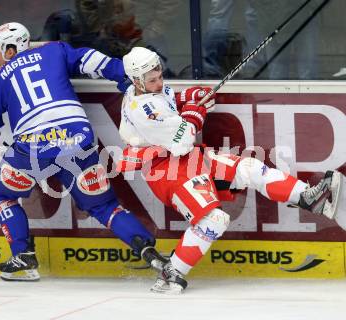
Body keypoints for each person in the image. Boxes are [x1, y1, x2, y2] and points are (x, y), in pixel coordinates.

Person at [116, 47, 343, 293]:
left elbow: (167, 101)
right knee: (214, 219)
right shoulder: (143, 112)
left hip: (184, 159)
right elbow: (182, 140)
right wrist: (196, 111)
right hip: (167, 170)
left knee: (251, 168)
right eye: (153, 80)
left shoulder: (141, 89)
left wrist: (189, 96)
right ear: (137, 80)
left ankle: (309, 198)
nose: (159, 82)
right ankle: (173, 272)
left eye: (160, 76)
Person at [0, 22, 165, 281]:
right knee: (105, 206)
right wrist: (125, 79)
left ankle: (23, 256)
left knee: (0, 193)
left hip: (33, 149)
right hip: (78, 140)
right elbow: (93, 60)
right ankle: (150, 252)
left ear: (10, 49)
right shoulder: (54, 50)